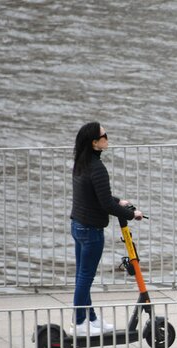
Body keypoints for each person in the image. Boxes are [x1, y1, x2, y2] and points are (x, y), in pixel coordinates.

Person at [70, 122, 143, 336]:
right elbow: (105, 205)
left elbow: (96, 196)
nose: (107, 138)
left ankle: (90, 318)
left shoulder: (81, 162)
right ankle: (80, 323)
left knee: (82, 275)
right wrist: (132, 214)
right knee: (85, 276)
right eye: (105, 135)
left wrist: (119, 200)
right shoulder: (97, 168)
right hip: (91, 230)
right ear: (94, 142)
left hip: (77, 225)